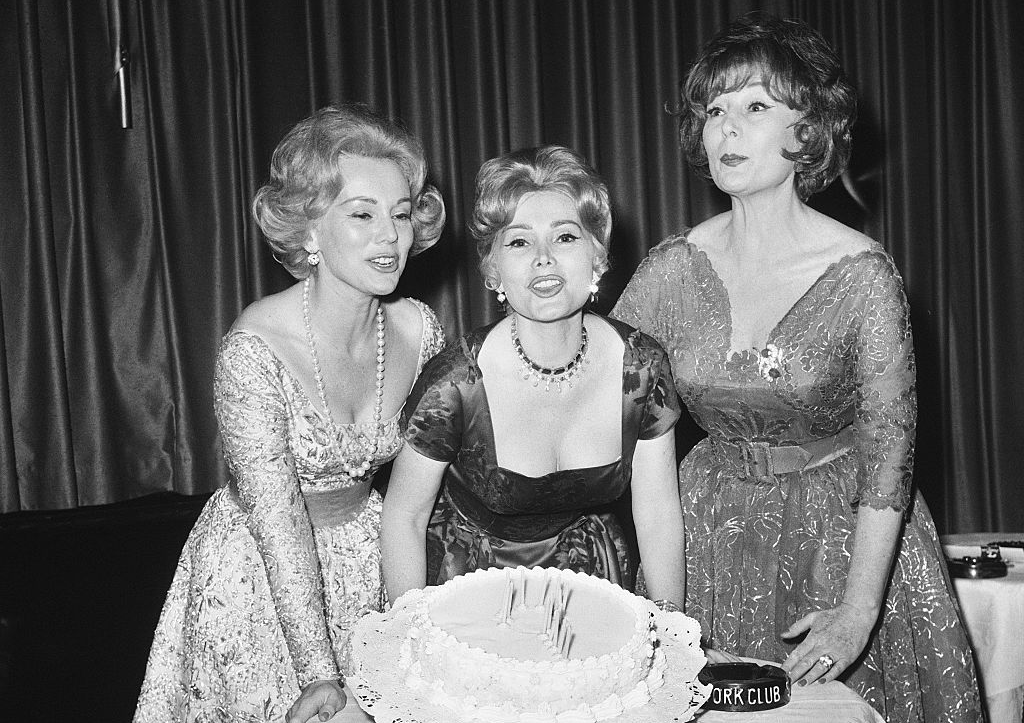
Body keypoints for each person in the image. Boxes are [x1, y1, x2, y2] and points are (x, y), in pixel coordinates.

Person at [612, 13, 982, 722]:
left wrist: (858, 610)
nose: (727, 128)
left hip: (840, 543)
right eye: (714, 111)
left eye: (755, 107)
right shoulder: (668, 269)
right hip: (704, 535)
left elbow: (889, 457)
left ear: (807, 130)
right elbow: (602, 405)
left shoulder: (863, 272)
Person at [134, 105, 447, 723]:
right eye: (362, 214)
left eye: (401, 213)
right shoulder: (256, 346)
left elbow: (432, 492)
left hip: (371, 560)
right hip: (258, 576)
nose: (390, 236)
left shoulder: (421, 331)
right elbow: (278, 524)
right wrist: (321, 675)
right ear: (309, 230)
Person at [381, 145, 687, 613]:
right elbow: (404, 515)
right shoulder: (457, 381)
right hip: (469, 585)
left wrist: (670, 633)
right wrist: (414, 634)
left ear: (597, 256)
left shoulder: (642, 367)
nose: (544, 258)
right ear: (493, 269)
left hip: (591, 579)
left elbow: (658, 513)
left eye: (565, 237)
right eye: (519, 242)